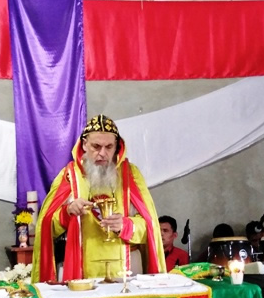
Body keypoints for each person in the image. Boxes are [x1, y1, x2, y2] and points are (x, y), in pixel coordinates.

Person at [32, 115, 166, 282]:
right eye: (96, 146)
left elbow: (150, 228)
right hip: (81, 269)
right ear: (84, 145)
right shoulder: (69, 176)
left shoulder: (131, 175)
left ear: (117, 147)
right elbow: (46, 228)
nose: (102, 153)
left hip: (128, 269)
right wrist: (67, 212)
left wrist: (125, 225)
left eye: (109, 147)